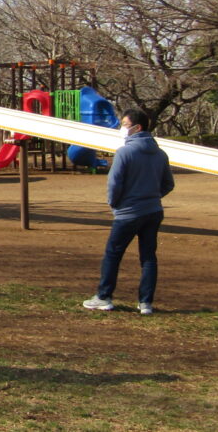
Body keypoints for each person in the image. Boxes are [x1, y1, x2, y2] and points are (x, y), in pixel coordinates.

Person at [83, 108, 174, 315]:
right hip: (153, 211)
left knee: (113, 254)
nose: (122, 128)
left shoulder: (125, 152)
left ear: (137, 127)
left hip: (128, 213)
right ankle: (145, 303)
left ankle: (104, 297)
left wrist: (115, 204)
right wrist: (153, 197)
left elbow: (114, 183)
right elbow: (169, 184)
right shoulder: (160, 154)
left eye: (125, 124)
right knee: (148, 257)